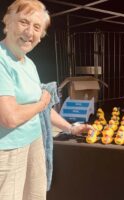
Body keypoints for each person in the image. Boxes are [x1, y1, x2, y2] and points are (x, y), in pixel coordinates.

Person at [0, 0, 92, 199]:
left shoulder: (29, 63)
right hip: (8, 150)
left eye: (37, 27)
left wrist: (70, 128)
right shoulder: (1, 60)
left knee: (35, 195)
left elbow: (40, 108)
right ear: (7, 22)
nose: (30, 32)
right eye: (24, 22)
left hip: (35, 140)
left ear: (41, 37)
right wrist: (42, 102)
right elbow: (9, 117)